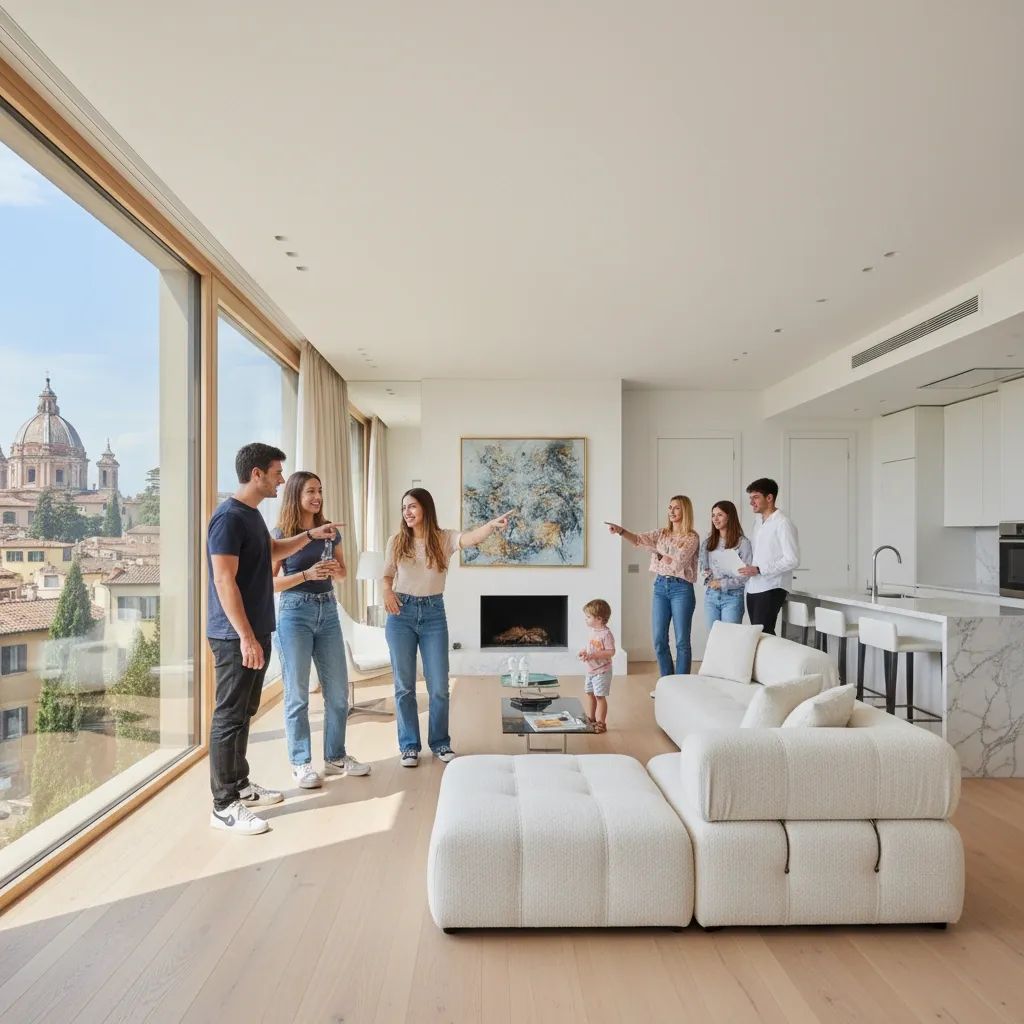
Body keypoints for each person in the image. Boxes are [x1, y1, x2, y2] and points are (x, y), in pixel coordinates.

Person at [207, 443, 343, 835]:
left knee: (245, 713)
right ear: (256, 474)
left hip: (258, 629)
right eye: (277, 472)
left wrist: (311, 534)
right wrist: (246, 636)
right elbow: (222, 579)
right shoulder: (228, 518)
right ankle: (223, 805)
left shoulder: (250, 516)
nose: (282, 479)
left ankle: (240, 786)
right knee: (228, 716)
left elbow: (272, 551)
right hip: (235, 635)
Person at [383, 488, 511, 766]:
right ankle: (409, 746)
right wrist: (387, 592)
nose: (407, 512)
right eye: (404, 507)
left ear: (426, 509)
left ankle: (440, 743)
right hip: (400, 614)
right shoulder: (396, 541)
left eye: (413, 506)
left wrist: (490, 526)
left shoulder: (444, 538)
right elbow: (386, 575)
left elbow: (471, 538)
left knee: (439, 686)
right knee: (404, 687)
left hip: (433, 614)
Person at [272, 471, 370, 790]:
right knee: (298, 695)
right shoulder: (282, 534)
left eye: (320, 491)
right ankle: (301, 763)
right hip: (294, 613)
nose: (317, 497)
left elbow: (342, 574)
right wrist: (306, 574)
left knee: (338, 692)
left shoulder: (330, 532)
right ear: (295, 496)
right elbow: (269, 583)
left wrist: (333, 570)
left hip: (327, 610)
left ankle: (335, 755)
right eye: (310, 491)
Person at [607, 496, 700, 677]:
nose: (671, 511)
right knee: (659, 640)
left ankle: (681, 686)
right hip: (660, 586)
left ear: (685, 511)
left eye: (677, 508)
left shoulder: (692, 537)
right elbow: (639, 540)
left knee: (682, 641)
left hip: (681, 588)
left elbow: (678, 563)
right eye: (670, 507)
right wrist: (621, 531)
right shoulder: (662, 533)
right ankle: (666, 682)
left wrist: (657, 552)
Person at [738, 477, 800, 636]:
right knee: (758, 634)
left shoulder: (783, 523)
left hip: (772, 586)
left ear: (769, 498)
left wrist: (759, 569)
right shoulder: (758, 522)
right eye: (750, 498)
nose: (751, 502)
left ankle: (772, 661)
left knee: (764, 633)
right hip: (754, 587)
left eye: (755, 497)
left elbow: (792, 559)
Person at [699, 500, 753, 627]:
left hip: (733, 598)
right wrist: (709, 580)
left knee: (730, 640)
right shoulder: (707, 543)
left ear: (729, 517)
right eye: (713, 515)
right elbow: (703, 568)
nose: (715, 519)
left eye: (719, 515)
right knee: (714, 640)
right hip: (711, 597)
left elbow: (745, 575)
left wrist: (721, 583)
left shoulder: (743, 543)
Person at [578, 599, 616, 733]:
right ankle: (591, 718)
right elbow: (591, 647)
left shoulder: (606, 634)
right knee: (590, 694)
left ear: (599, 619)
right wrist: (585, 652)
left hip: (602, 671)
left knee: (600, 696)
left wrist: (593, 655)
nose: (586, 619)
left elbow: (611, 652)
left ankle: (601, 723)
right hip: (591, 670)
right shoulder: (593, 631)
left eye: (588, 617)